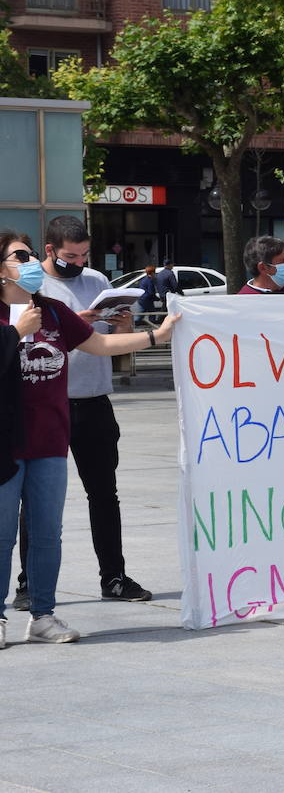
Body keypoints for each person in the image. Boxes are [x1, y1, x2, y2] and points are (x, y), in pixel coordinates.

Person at [0, 229, 179, 647]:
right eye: (18, 257)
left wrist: (157, 335)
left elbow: (99, 344)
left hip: (49, 440)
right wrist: (15, 332)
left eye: (29, 257)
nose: (28, 265)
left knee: (47, 533)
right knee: (3, 534)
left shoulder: (54, 311)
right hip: (6, 444)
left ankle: (43, 615)